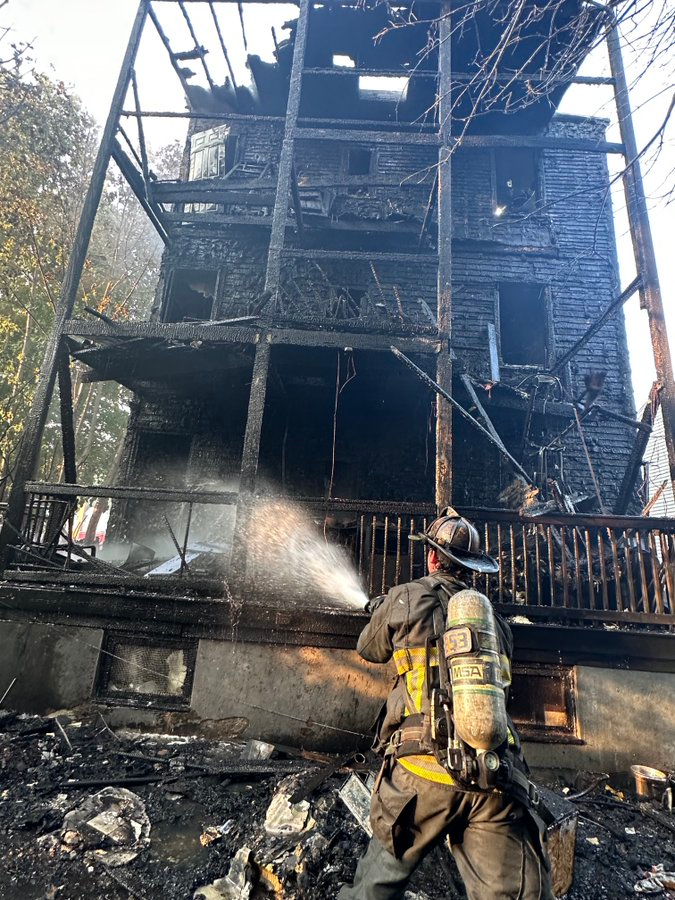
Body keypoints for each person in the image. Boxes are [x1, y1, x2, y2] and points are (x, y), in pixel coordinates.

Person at [338, 508, 553, 900]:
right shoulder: (496, 626)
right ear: (471, 567)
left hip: (422, 774)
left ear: (433, 557)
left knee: (375, 885)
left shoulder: (407, 597)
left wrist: (386, 608)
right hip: (493, 778)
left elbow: (369, 649)